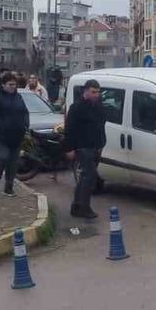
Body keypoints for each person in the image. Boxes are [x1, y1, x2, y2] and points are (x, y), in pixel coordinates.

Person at [62, 78, 106, 220]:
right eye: (93, 92)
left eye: (98, 92)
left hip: (96, 145)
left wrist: (101, 144)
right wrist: (69, 148)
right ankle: (85, 207)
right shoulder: (77, 107)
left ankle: (76, 206)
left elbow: (101, 124)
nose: (96, 95)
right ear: (86, 91)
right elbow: (69, 129)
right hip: (83, 146)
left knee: (85, 177)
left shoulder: (98, 106)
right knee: (89, 176)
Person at [0, 72, 30, 197]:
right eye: (10, 84)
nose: (13, 87)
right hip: (1, 135)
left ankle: (9, 187)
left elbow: (24, 111)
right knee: (3, 157)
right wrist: (2, 125)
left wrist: (26, 123)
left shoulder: (18, 97)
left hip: (17, 135)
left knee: (13, 162)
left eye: (14, 84)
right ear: (3, 85)